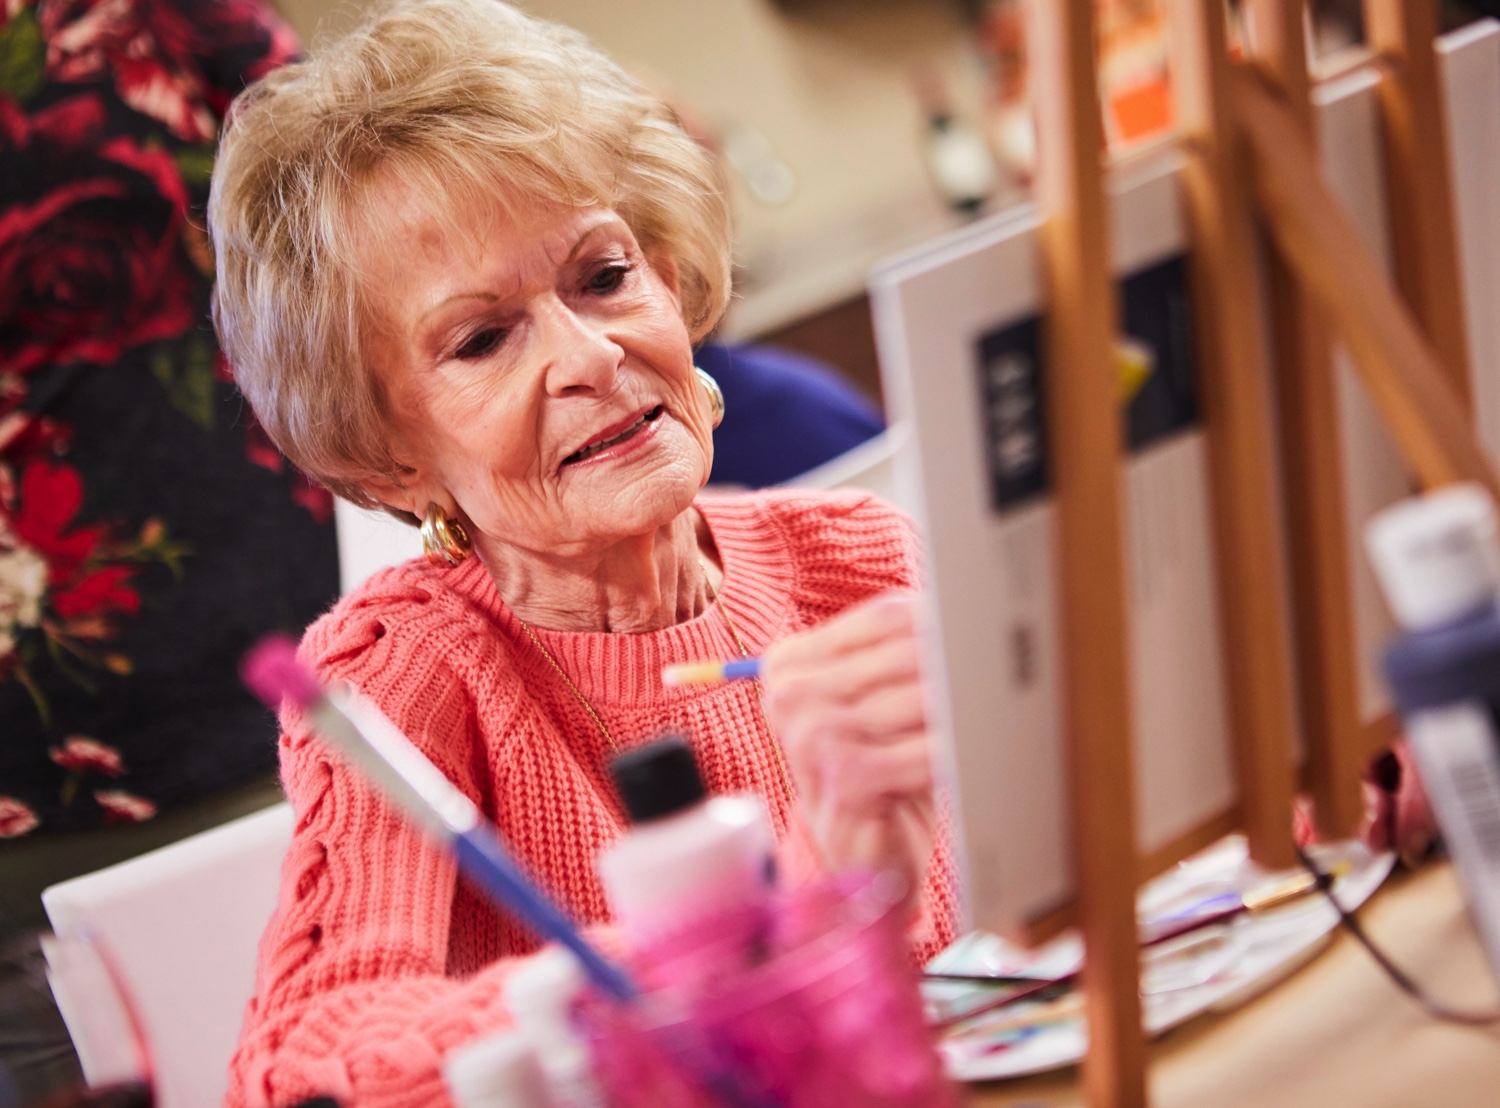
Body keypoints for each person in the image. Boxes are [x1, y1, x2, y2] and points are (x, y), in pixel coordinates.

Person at [208, 1, 958, 1104]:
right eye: (480, 339)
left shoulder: (857, 559)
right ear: (392, 454)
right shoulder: (401, 676)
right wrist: (766, 926)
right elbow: (300, 1070)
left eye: (603, 277)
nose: (592, 356)